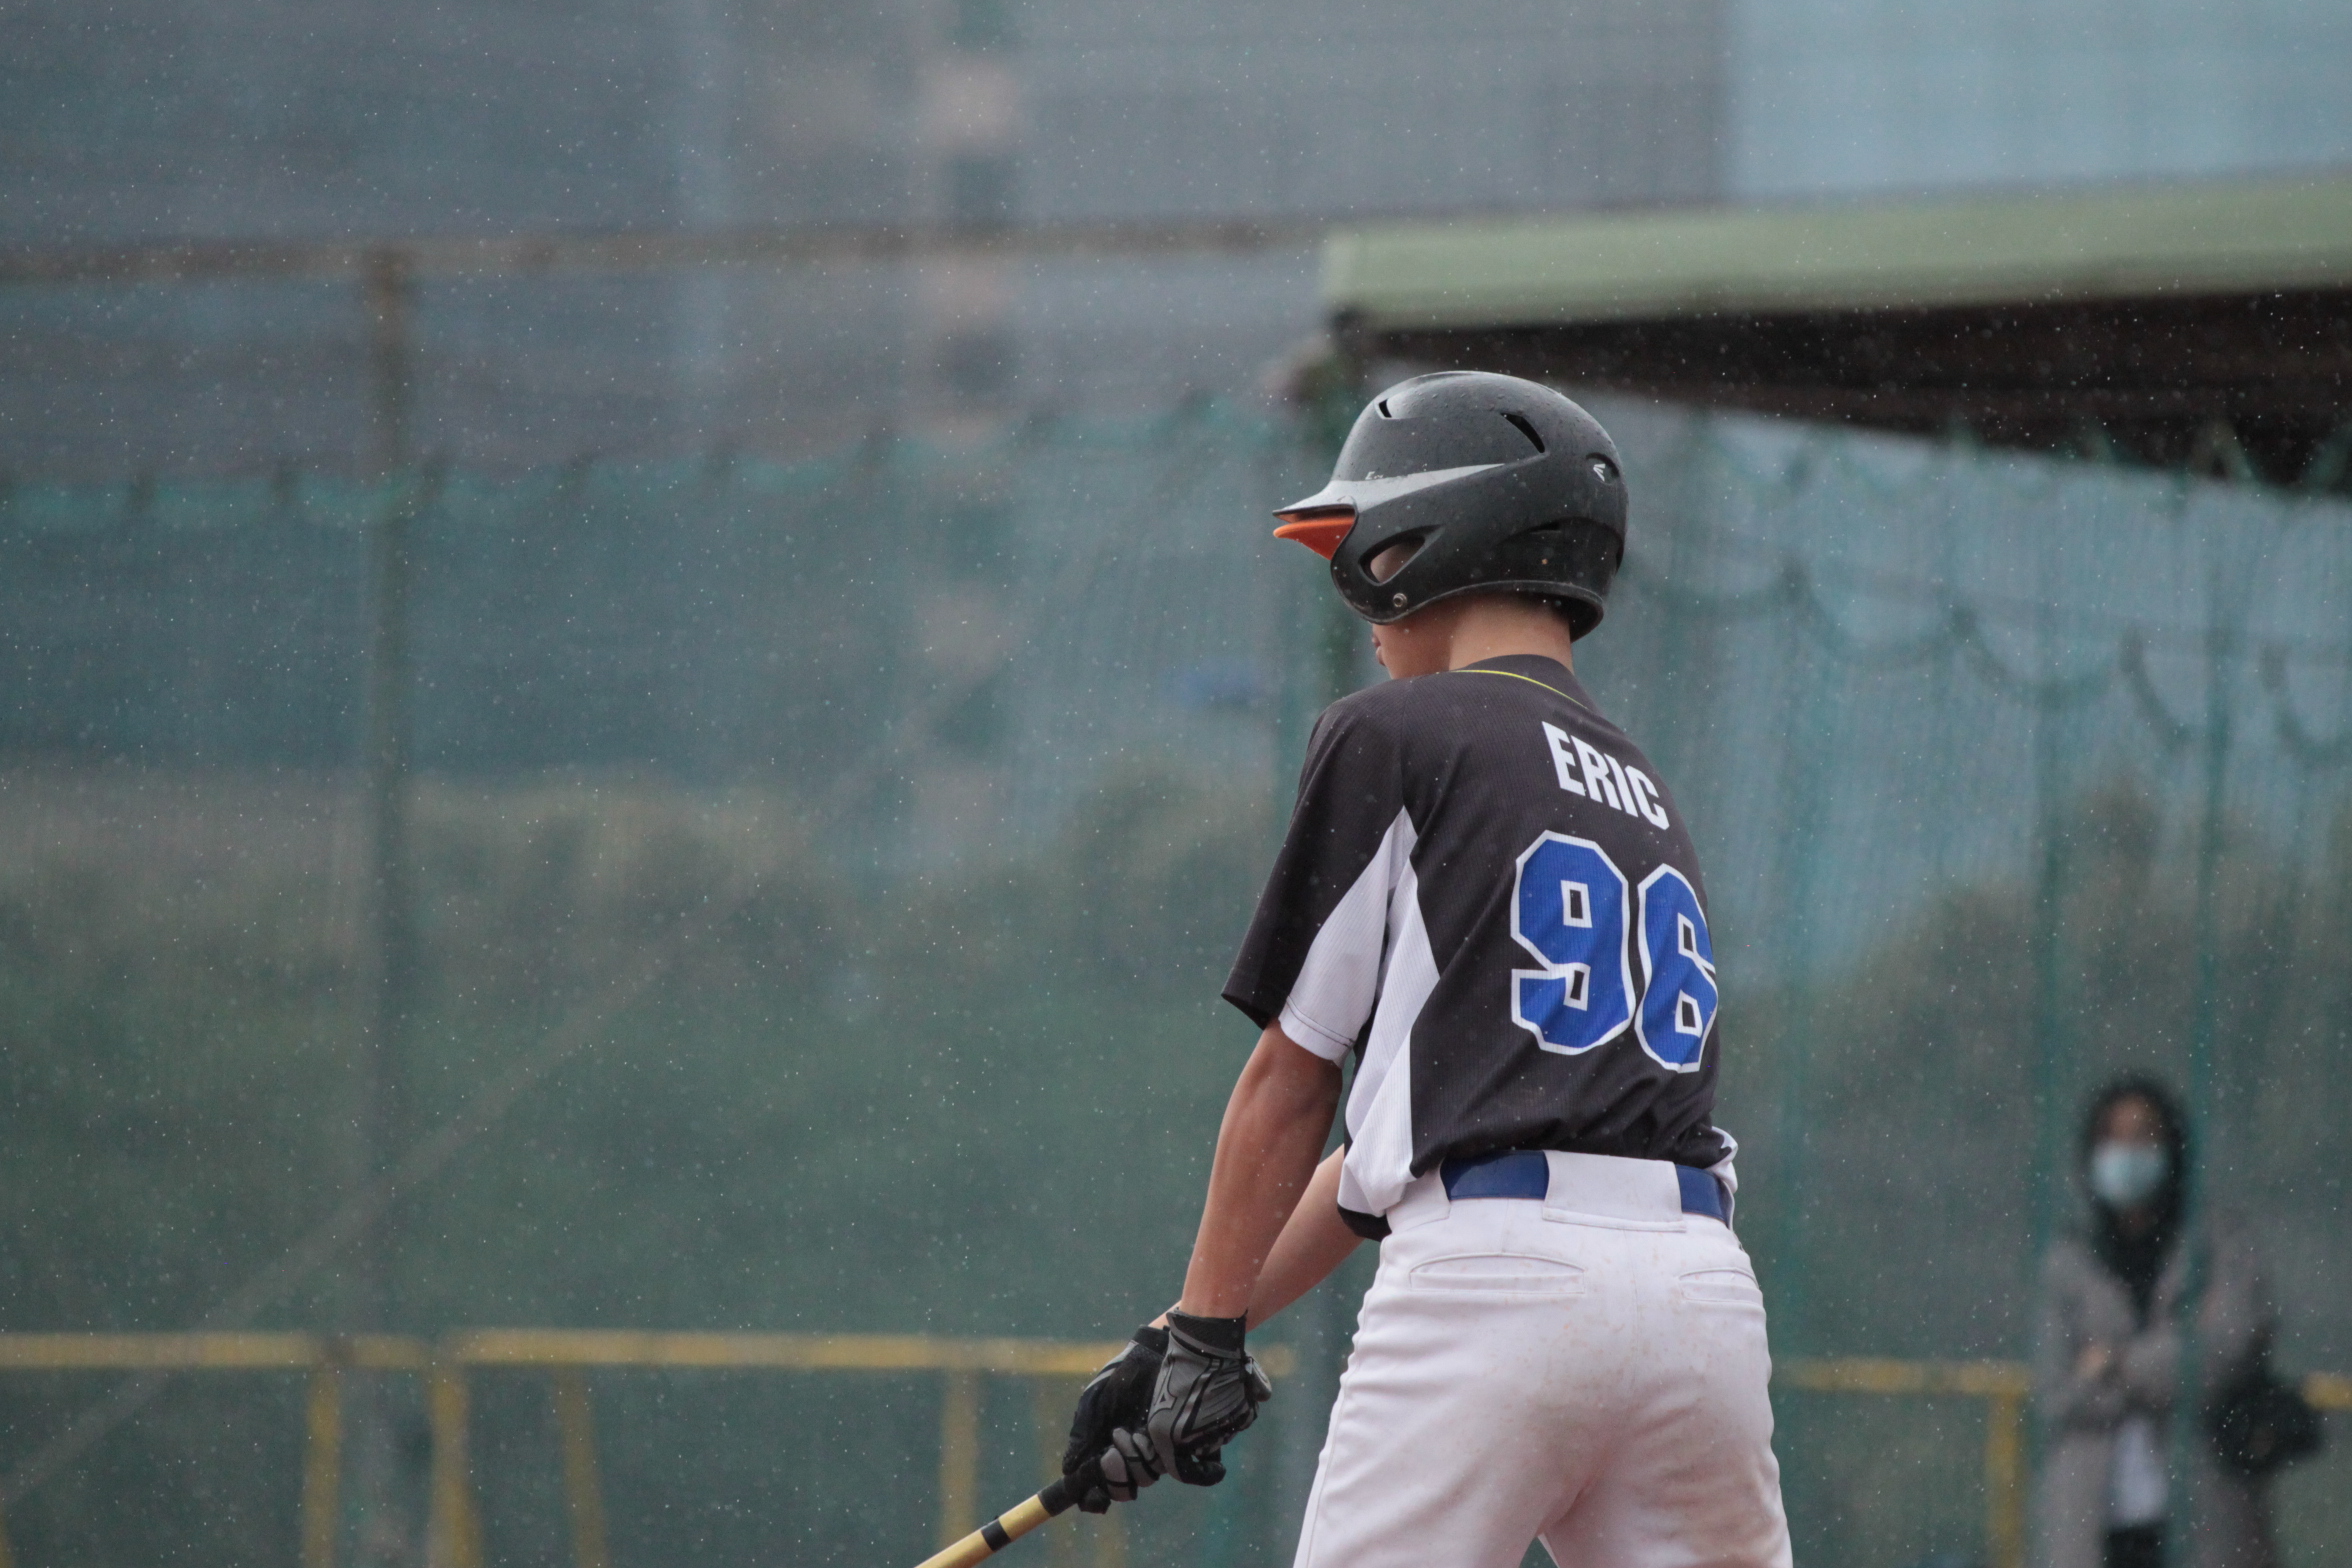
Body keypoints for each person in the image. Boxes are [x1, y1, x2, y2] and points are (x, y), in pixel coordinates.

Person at [1057, 371, 1792, 1568]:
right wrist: (1187, 1328)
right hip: (1700, 1300)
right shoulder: (1643, 788)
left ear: (1432, 534)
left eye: (1362, 535)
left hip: (1494, 1284)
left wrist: (1205, 1340)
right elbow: (1374, 1167)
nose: (1356, 584)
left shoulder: (1393, 731)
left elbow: (1292, 1081)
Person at [2032, 1077, 2278, 1568]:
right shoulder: (2070, 1260)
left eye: (2143, 1135)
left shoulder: (2217, 1246)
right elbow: (2056, 1390)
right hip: (2095, 1525)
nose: (2126, 1153)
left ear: (2172, 1148)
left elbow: (2223, 1353)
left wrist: (2116, 1365)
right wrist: (2167, 1364)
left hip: (2205, 1513)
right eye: (2112, 1138)